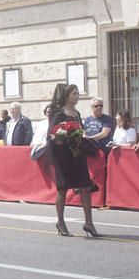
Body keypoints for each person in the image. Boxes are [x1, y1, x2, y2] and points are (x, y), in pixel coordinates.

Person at [47, 84, 101, 238]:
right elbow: (51, 135)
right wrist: (61, 137)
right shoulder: (58, 114)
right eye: (74, 94)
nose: (76, 96)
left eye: (77, 93)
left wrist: (81, 136)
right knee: (62, 189)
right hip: (63, 156)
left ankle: (89, 223)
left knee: (85, 187)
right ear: (66, 96)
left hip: (78, 155)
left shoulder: (77, 114)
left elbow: (81, 131)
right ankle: (61, 222)